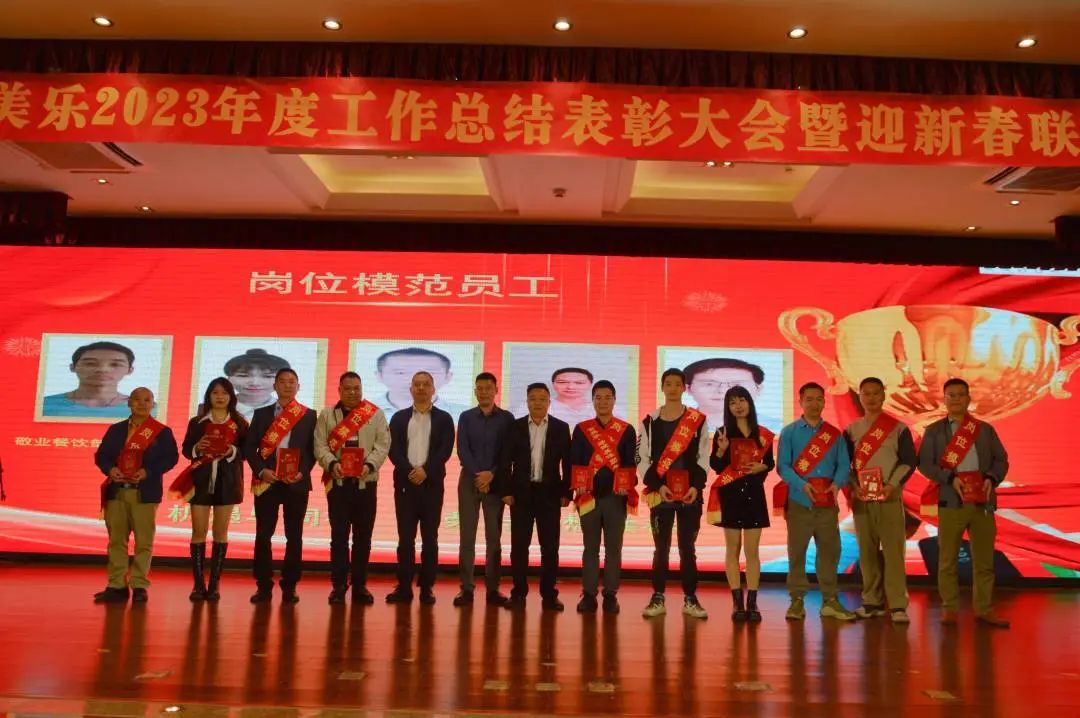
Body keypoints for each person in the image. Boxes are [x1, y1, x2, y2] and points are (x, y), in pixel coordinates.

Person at [918, 378, 1010, 628]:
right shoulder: (934, 431)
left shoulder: (984, 429)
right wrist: (949, 478)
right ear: (944, 399)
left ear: (969, 399)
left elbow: (1001, 460)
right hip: (951, 502)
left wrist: (991, 478)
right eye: (951, 395)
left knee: (984, 561)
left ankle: (984, 609)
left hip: (982, 502)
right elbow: (925, 463)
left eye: (961, 394)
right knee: (947, 561)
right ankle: (949, 609)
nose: (956, 399)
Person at [92, 387, 179, 603]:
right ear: (129, 402)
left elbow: (171, 458)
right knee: (116, 541)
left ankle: (139, 585)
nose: (142, 403)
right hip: (116, 492)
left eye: (147, 400)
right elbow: (101, 456)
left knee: (143, 542)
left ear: (153, 404)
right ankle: (117, 585)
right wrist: (110, 469)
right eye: (137, 399)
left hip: (144, 493)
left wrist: (148, 472)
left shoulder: (161, 432)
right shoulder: (116, 430)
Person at [777, 382, 855, 621]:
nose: (814, 403)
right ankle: (796, 601)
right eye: (809, 399)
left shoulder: (834, 435)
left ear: (824, 402)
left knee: (830, 552)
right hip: (799, 502)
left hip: (827, 505)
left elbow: (844, 465)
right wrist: (802, 485)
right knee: (797, 553)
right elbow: (783, 467)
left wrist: (837, 484)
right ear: (800, 402)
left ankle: (830, 601)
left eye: (819, 399)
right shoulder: (789, 432)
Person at [638, 368, 712, 620]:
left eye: (677, 384)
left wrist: (696, 487)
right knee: (661, 549)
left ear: (684, 388)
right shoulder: (650, 421)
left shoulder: (697, 420)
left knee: (687, 548)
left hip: (690, 495)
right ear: (662, 387)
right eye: (668, 384)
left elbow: (703, 457)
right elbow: (642, 459)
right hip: (661, 495)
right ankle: (658, 597)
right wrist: (658, 486)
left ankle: (690, 599)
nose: (672, 388)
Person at [844, 377, 917, 624]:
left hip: (890, 498)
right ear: (860, 397)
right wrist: (854, 487)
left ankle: (897, 605)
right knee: (867, 552)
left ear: (884, 395)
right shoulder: (851, 430)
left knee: (894, 553)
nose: (871, 398)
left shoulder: (898, 429)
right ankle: (872, 602)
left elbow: (908, 461)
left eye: (876, 393)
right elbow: (845, 465)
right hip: (862, 500)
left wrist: (891, 485)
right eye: (866, 393)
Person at [314, 371, 390, 605]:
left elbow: (383, 445)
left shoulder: (375, 414)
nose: (352, 392)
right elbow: (320, 445)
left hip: (366, 485)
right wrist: (332, 463)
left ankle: (360, 586)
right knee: (338, 538)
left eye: (357, 388)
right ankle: (338, 586)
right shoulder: (327, 415)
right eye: (347, 388)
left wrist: (369, 465)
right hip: (338, 486)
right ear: (339, 390)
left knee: (363, 538)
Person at [243, 368, 316, 604]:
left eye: (291, 382)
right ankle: (263, 585)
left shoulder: (309, 415)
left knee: (294, 536)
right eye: (282, 381)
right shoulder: (262, 414)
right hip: (268, 482)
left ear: (298, 387)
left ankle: (290, 586)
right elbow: (249, 447)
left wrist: (302, 472)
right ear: (274, 386)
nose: (287, 385)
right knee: (263, 535)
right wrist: (261, 470)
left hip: (296, 483)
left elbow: (313, 450)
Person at [172, 378, 249, 602]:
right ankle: (198, 585)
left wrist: (231, 450)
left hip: (228, 482)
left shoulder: (240, 422)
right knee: (198, 532)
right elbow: (186, 449)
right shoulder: (197, 422)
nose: (220, 397)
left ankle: (214, 585)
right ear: (208, 396)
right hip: (200, 481)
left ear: (231, 397)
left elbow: (246, 452)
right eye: (215, 393)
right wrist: (198, 447)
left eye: (224, 393)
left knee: (220, 533)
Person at [499, 382, 572, 610]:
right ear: (527, 402)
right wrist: (506, 491)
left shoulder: (561, 428)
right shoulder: (515, 427)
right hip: (521, 495)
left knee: (549, 548)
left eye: (542, 399)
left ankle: (549, 594)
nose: (537, 403)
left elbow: (568, 464)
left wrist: (566, 493)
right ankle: (518, 593)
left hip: (550, 495)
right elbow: (505, 461)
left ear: (549, 402)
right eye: (533, 399)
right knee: (519, 547)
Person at [386, 371, 456, 604]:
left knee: (430, 538)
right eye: (417, 384)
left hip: (432, 485)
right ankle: (404, 587)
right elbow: (393, 450)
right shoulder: (398, 418)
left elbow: (445, 450)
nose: (422, 388)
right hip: (405, 486)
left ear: (433, 389)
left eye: (426, 384)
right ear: (411, 389)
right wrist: (410, 471)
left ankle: (427, 587)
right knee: (405, 539)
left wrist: (426, 470)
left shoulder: (444, 419)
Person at [708, 385, 775, 622]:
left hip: (755, 495)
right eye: (732, 402)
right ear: (727, 407)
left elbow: (770, 463)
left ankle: (753, 603)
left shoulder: (763, 434)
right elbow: (716, 467)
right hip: (731, 495)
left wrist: (761, 467)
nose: (738, 406)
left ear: (750, 402)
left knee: (752, 551)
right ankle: (737, 603)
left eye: (742, 400)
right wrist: (721, 450)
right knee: (733, 549)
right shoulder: (722, 432)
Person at [570, 380, 637, 614]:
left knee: (613, 548)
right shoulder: (582, 429)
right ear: (593, 400)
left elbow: (629, 464)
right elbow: (575, 461)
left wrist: (626, 486)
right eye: (598, 397)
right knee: (590, 548)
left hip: (615, 498)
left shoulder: (626, 430)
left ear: (614, 400)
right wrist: (578, 485)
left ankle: (610, 594)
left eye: (608, 397)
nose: (603, 402)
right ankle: (588, 594)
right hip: (588, 497)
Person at [454, 372, 515, 607]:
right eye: (479, 388)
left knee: (494, 539)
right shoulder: (466, 417)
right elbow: (462, 450)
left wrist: (492, 474)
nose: (484, 392)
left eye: (488, 388)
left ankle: (493, 589)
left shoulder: (507, 419)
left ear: (496, 390)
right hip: (469, 481)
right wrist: (479, 475)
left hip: (496, 483)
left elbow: (508, 452)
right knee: (467, 537)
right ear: (475, 391)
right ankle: (466, 588)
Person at [43, 341, 138, 419]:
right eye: (90, 363)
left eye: (115, 364)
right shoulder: (44, 405)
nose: (102, 370)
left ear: (130, 370)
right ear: (73, 367)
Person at [684, 357, 781, 432]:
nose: (723, 391)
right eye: (709, 384)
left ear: (758, 389)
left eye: (736, 384)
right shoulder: (681, 425)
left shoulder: (775, 426)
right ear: (688, 388)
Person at [373, 347, 468, 421]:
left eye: (428, 372)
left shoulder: (462, 414)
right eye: (401, 372)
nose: (414, 379)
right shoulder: (368, 412)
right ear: (379, 376)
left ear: (448, 377)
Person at [224, 348, 291, 420]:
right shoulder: (222, 406)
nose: (255, 383)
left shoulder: (286, 409)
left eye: (268, 376)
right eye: (243, 375)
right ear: (229, 379)